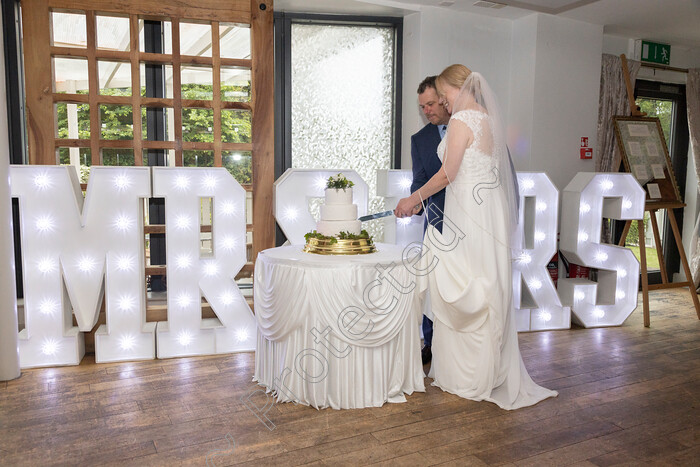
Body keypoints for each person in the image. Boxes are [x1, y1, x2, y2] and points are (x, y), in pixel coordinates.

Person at [394, 64, 557, 410]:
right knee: (485, 284)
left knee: (460, 284)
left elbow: (447, 174)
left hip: (465, 215)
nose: (442, 102)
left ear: (459, 87)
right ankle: (488, 372)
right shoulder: (490, 120)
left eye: (444, 95)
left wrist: (412, 200)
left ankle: (466, 376)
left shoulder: (461, 121)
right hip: (488, 217)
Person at [411, 76, 450, 365]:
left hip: (469, 225)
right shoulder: (419, 140)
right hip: (435, 224)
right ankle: (431, 342)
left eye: (431, 103)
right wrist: (414, 202)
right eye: (422, 106)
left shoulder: (470, 129)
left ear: (445, 99)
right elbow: (420, 182)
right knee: (432, 286)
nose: (427, 110)